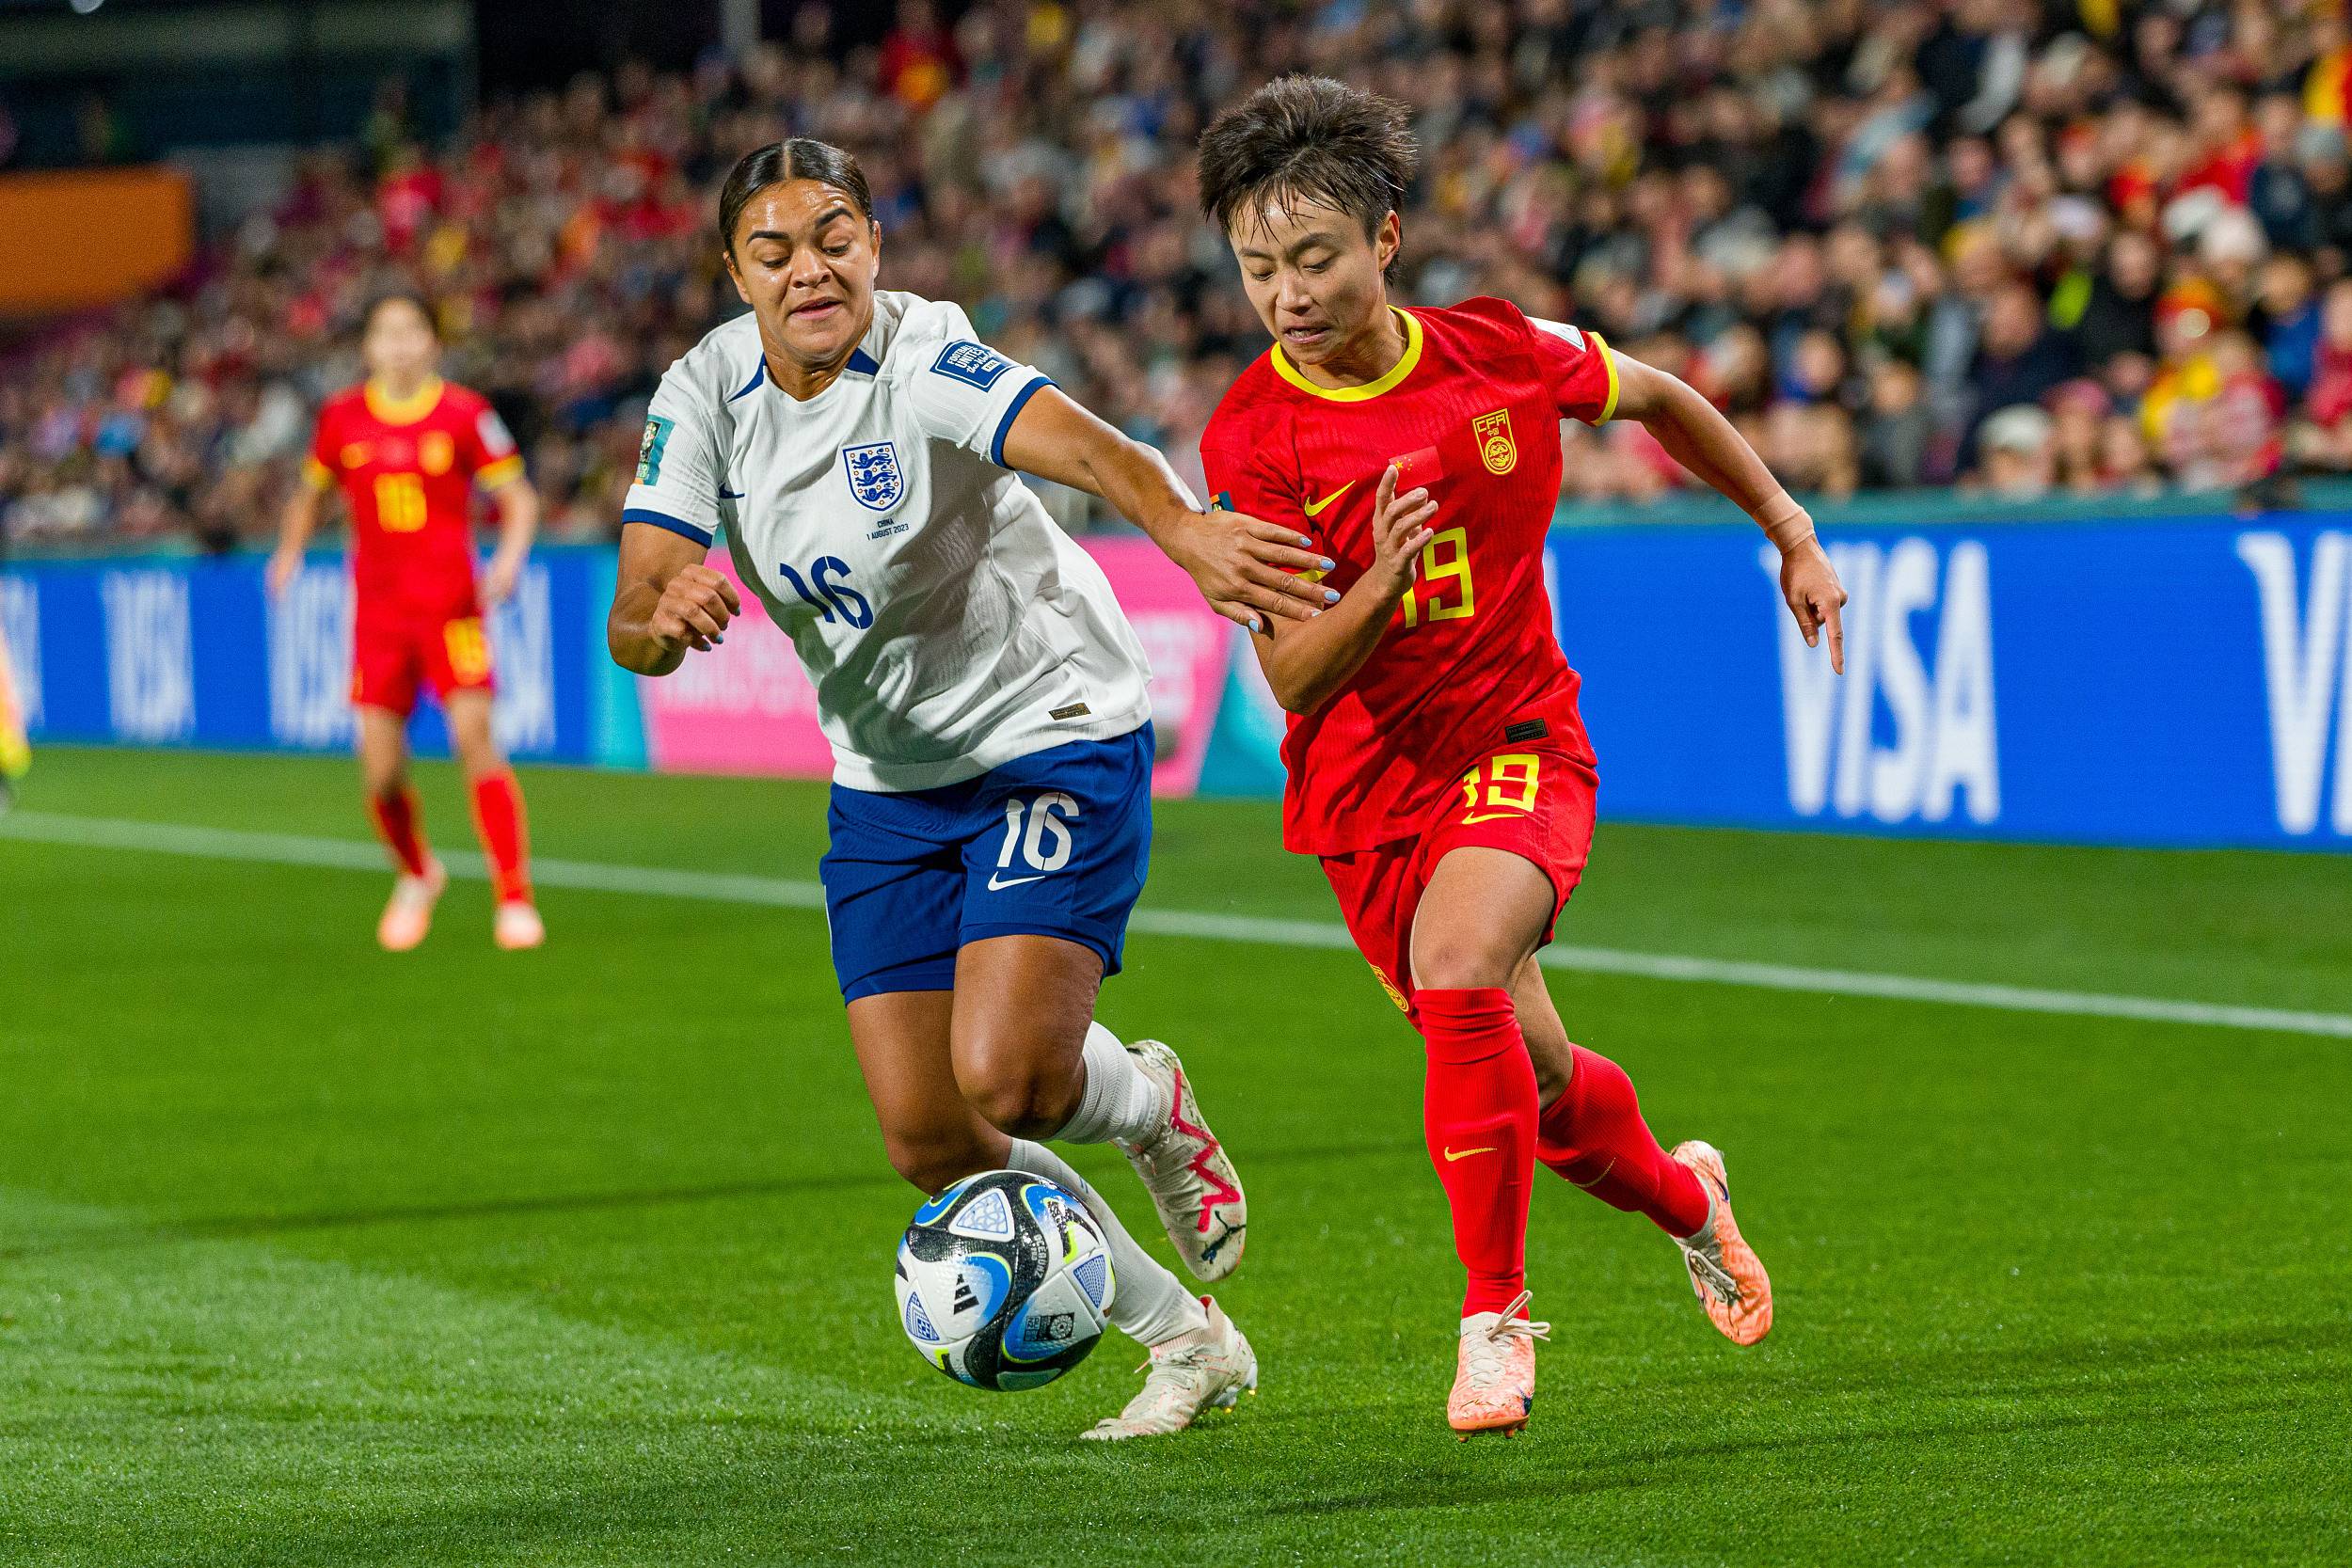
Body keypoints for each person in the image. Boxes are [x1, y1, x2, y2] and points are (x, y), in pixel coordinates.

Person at [607, 139, 1333, 1440]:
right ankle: (1190, 1338)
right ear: (735, 273)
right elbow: (634, 612)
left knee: (1015, 1079)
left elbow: (1095, 451)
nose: (809, 269)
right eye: (773, 251)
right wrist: (664, 615)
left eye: (834, 238)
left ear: (874, 248)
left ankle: (1145, 1099)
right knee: (932, 1141)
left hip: (1047, 726)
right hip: (888, 777)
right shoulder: (704, 391)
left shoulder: (925, 355)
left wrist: (1186, 532)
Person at [1195, 76, 1850, 1439]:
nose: (1287, 295)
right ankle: (1691, 1198)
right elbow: (1294, 675)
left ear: (1385, 238)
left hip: (1517, 739)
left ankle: (1493, 1318)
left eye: (1313, 258)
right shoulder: (1252, 438)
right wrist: (1379, 586)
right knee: (1538, 1088)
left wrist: (1788, 526)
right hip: (1366, 788)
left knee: (1458, 968)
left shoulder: (1498, 350)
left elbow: (1660, 396)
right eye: (1258, 268)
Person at [267, 292, 546, 953]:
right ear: (367, 346)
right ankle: (418, 873)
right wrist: (289, 552)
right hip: (379, 619)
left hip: (452, 612)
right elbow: (309, 495)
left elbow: (519, 498)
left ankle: (513, 896)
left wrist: (508, 559)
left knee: (475, 738)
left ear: (432, 342)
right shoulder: (341, 418)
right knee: (381, 773)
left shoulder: (466, 413)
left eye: (411, 330)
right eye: (386, 333)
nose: (399, 345)